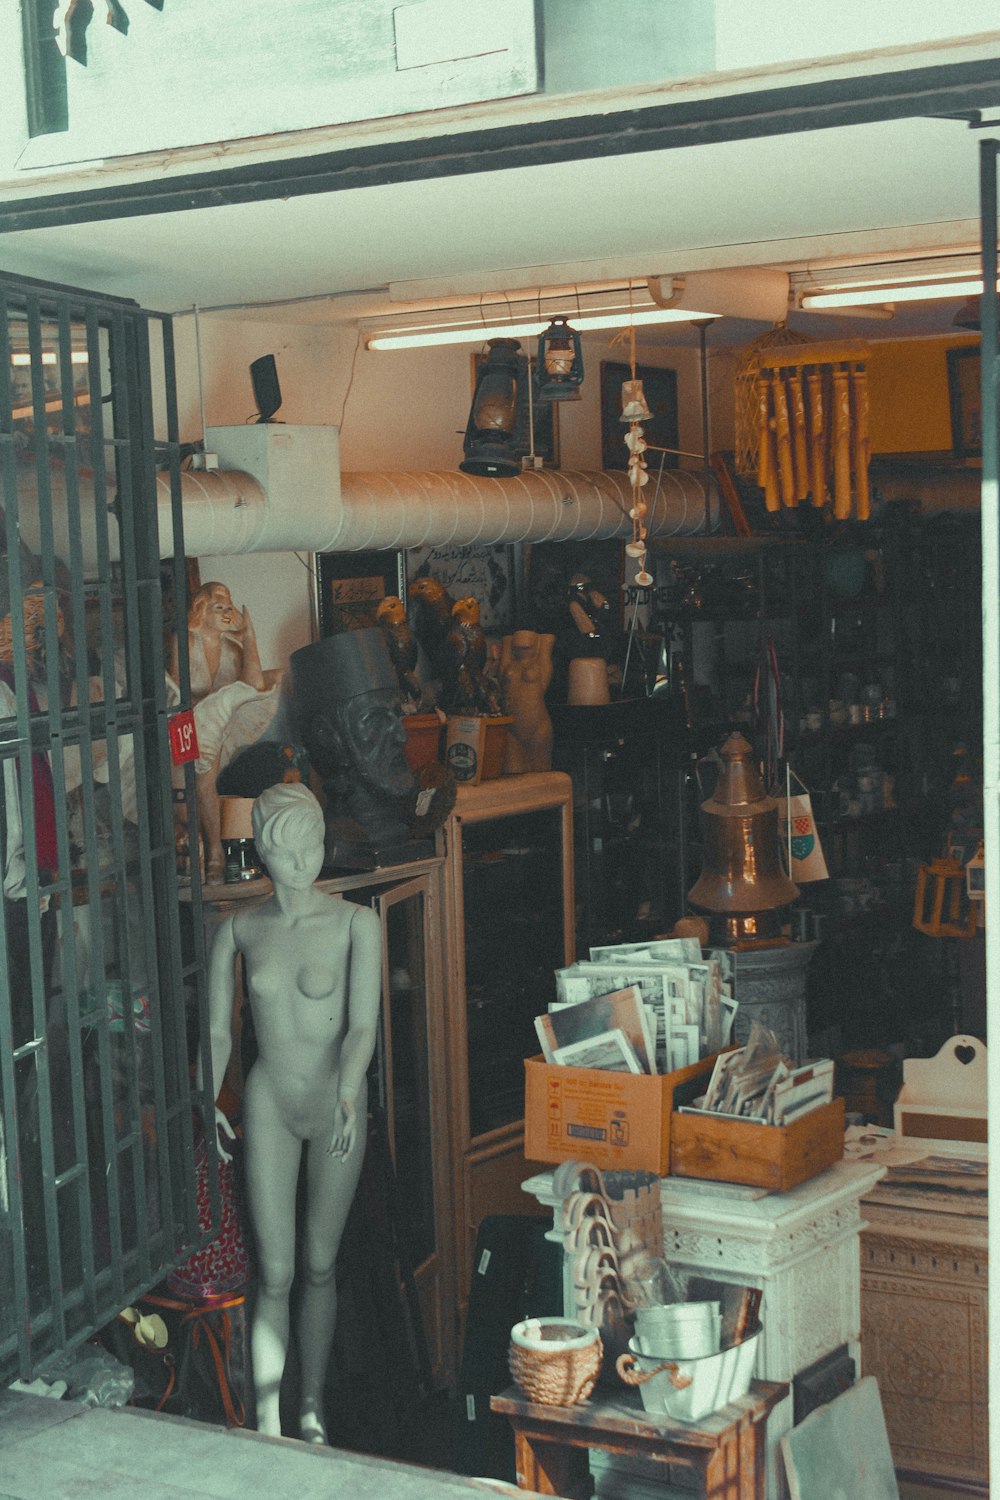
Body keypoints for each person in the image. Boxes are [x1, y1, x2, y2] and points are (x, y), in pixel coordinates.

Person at [197, 781, 381, 1441]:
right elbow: (219, 1030)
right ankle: (268, 1417)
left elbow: (363, 1025)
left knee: (320, 1263)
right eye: (283, 850)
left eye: (309, 845)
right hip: (271, 1100)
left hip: (335, 1102)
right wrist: (214, 1097)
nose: (300, 862)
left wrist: (351, 1090)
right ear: (263, 854)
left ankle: (310, 1404)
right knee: (273, 1270)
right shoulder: (240, 929)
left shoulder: (357, 922)